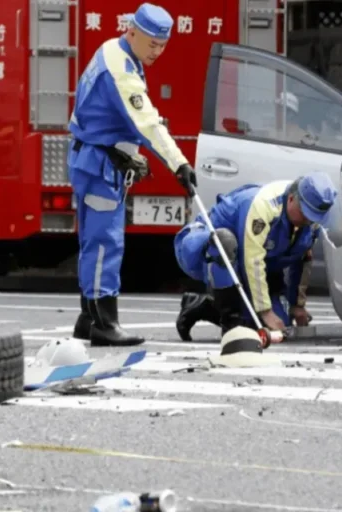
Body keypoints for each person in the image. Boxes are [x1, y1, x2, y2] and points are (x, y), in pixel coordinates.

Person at [68, 3, 198, 347]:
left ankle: (87, 319)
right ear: (132, 31)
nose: (157, 51)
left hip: (94, 157)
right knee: (104, 243)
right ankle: (104, 322)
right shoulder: (121, 71)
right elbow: (147, 123)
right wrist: (179, 163)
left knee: (91, 243)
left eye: (163, 45)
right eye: (152, 43)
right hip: (99, 164)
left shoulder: (112, 49)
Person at [173, 173, 337, 340]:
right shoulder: (263, 205)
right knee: (225, 242)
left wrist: (297, 305)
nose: (309, 221)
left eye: (314, 217)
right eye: (306, 214)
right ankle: (231, 326)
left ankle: (201, 306)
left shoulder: (311, 222)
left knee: (279, 324)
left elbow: (302, 259)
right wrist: (265, 311)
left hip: (245, 264)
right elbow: (253, 260)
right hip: (200, 247)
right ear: (291, 199)